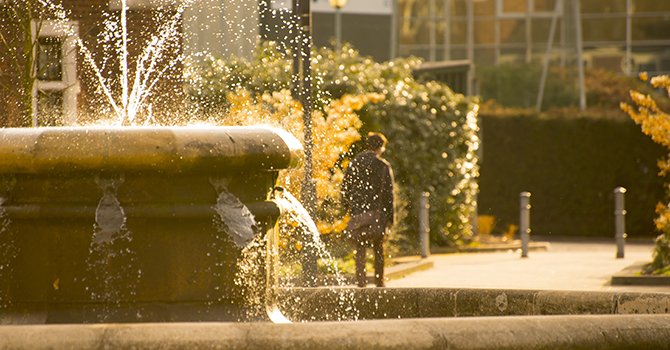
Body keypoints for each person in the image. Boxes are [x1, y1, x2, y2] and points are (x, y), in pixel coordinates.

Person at [341, 132, 394, 288]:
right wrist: (390, 216)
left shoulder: (354, 163)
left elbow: (344, 188)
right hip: (378, 213)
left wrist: (348, 207)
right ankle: (379, 281)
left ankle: (361, 282)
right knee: (378, 247)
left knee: (360, 247)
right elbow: (388, 194)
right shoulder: (383, 166)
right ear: (380, 147)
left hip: (358, 212)